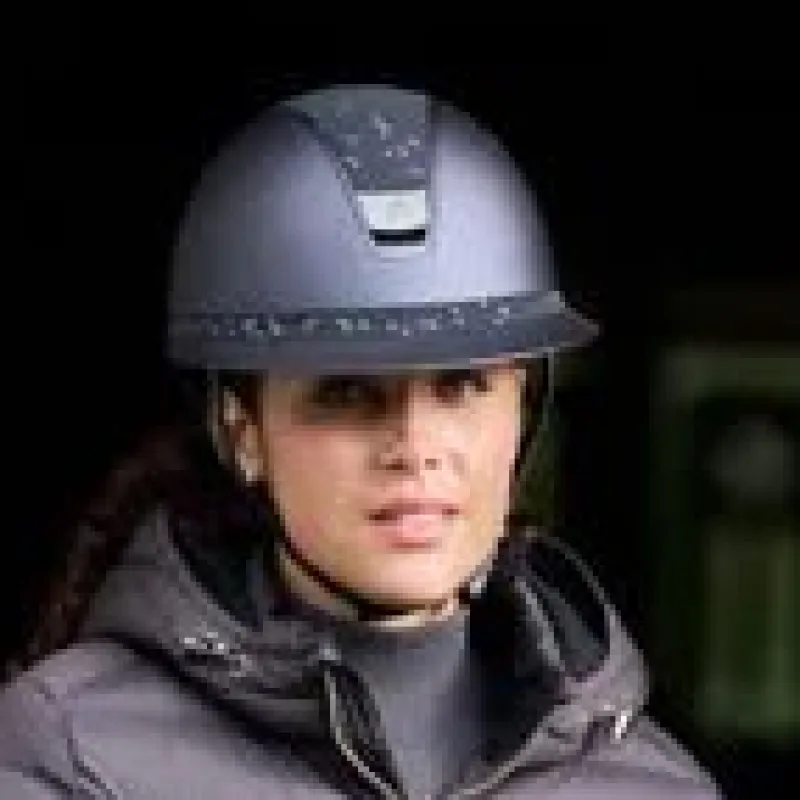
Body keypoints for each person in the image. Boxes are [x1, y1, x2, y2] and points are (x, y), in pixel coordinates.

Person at [1, 83, 722, 798]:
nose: (415, 447)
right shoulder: (76, 756)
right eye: (347, 393)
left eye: (461, 386)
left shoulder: (655, 788)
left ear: (523, 413)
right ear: (242, 429)